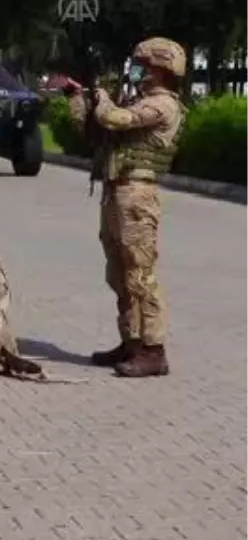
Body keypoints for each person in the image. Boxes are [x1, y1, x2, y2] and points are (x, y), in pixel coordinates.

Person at [66, 37, 186, 377]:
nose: (137, 70)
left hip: (138, 195)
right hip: (117, 192)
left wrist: (102, 99)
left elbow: (116, 120)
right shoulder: (140, 100)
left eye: (143, 65)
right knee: (118, 273)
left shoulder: (164, 105)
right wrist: (81, 98)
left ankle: (153, 349)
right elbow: (96, 132)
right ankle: (131, 341)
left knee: (140, 273)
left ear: (160, 69)